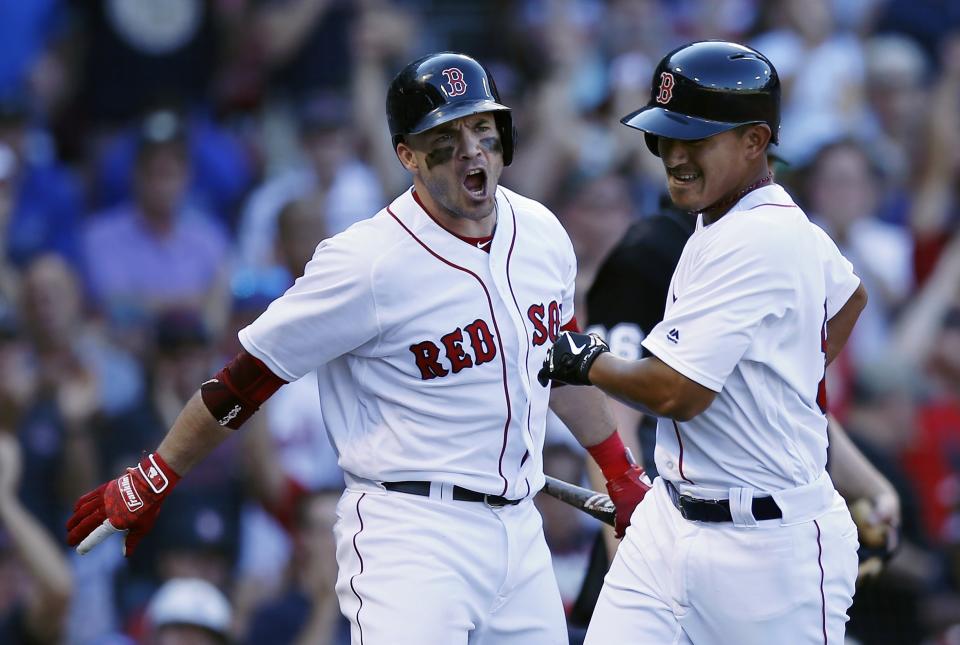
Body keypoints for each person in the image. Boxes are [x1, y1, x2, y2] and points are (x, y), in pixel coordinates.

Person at [66, 51, 650, 645]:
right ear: (408, 156)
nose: (472, 149)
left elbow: (560, 364)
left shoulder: (543, 234)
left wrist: (620, 470)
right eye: (445, 136)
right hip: (412, 533)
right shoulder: (366, 261)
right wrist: (157, 473)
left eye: (482, 127)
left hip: (522, 530)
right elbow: (243, 383)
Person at [538, 41, 868, 643]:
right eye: (666, 136)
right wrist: (781, 373)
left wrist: (585, 360)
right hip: (674, 522)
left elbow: (674, 394)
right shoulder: (752, 217)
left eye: (697, 139)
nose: (675, 155)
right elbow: (849, 300)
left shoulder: (757, 237)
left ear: (754, 140)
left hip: (770, 552)